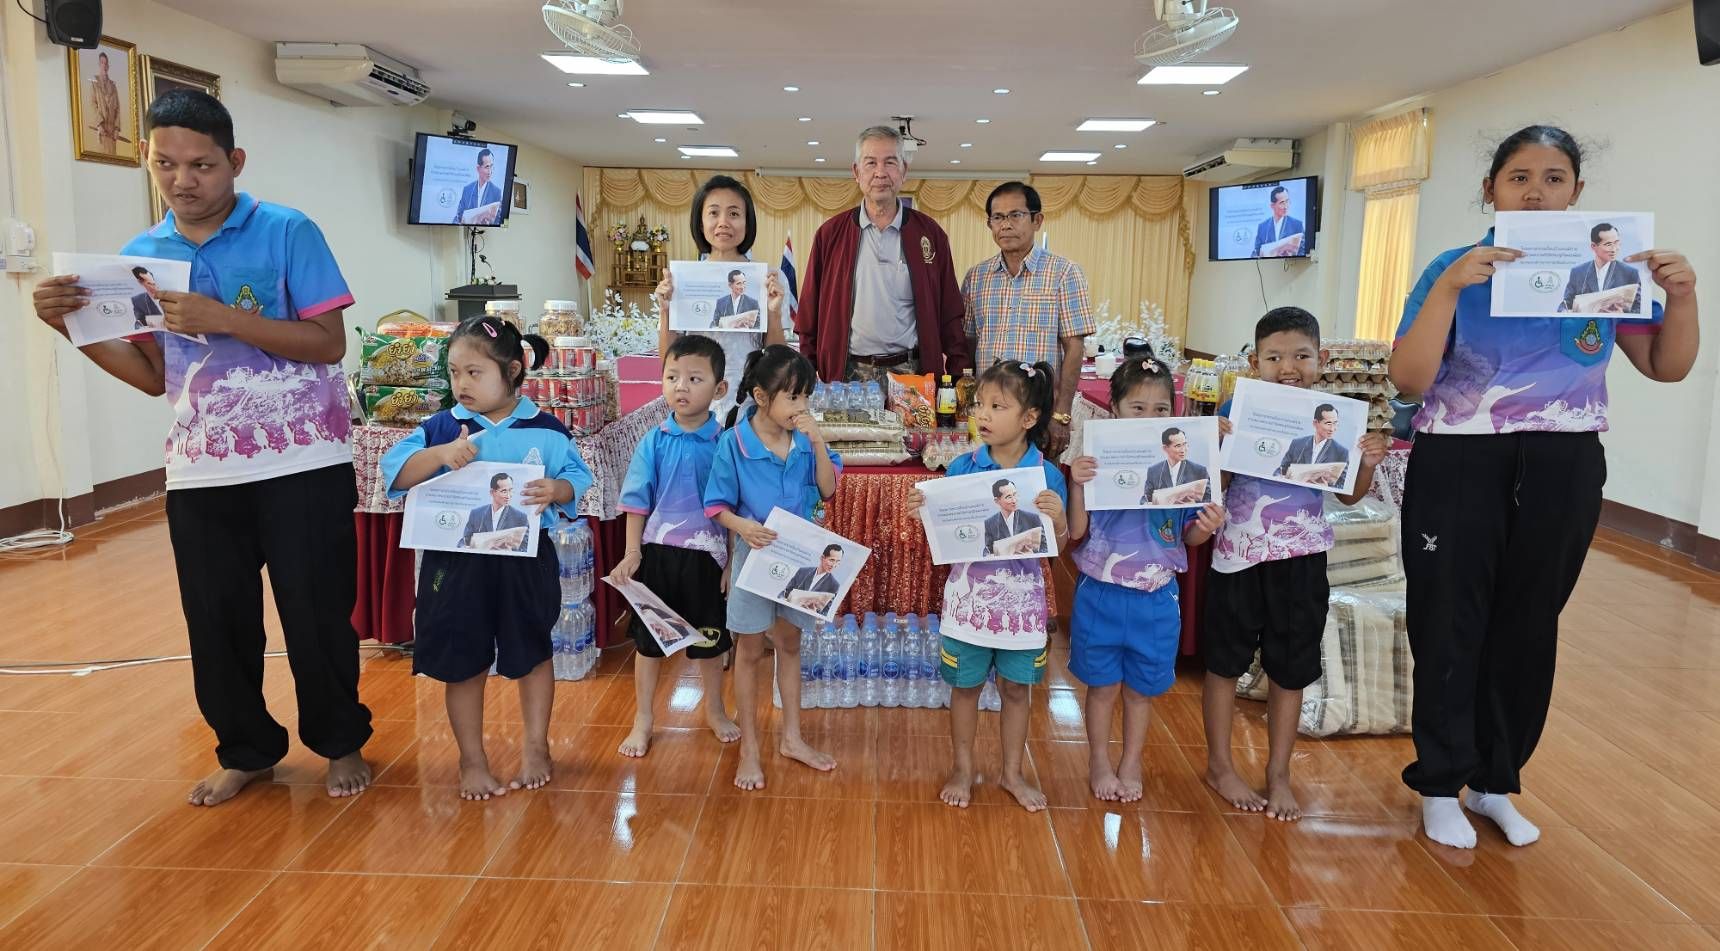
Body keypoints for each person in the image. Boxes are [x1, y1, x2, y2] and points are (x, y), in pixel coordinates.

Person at [32, 90, 373, 806]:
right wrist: (70, 329)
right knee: (217, 622)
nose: (182, 180)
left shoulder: (288, 230)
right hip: (200, 468)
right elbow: (153, 374)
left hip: (303, 460)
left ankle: (340, 740)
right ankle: (246, 749)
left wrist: (225, 318)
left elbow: (327, 344)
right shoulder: (140, 257)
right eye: (166, 164)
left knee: (315, 615)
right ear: (147, 159)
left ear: (234, 161)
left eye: (201, 165)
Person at [1389, 126, 1699, 849]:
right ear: (1491, 189)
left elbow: (1666, 366)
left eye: (1554, 179)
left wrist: (1681, 297)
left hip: (1565, 462)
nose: (1536, 192)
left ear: (1577, 193)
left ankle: (1494, 781)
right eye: (1519, 177)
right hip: (1460, 459)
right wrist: (1451, 286)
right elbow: (1409, 379)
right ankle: (1439, 783)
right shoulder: (1452, 267)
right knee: (1448, 618)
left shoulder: (1606, 269)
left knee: (1530, 623)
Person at [382, 316, 594, 800]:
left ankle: (536, 746)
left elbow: (577, 478)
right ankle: (471, 759)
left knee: (532, 652)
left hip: (525, 563)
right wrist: (441, 455)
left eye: (474, 372)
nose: (462, 383)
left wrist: (557, 489)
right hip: (457, 566)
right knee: (463, 659)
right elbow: (396, 472)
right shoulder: (442, 426)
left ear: (512, 371)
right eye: (455, 372)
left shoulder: (546, 429)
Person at [1204, 307, 1388, 821]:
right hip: (1239, 556)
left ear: (1321, 359)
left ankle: (1278, 773)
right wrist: (1213, 444)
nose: (1289, 367)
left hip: (1302, 558)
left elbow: (1349, 496)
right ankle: (1219, 766)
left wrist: (1367, 463)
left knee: (1291, 668)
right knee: (1224, 663)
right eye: (1274, 357)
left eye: (1302, 356)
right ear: (1254, 362)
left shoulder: (1337, 419)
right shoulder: (1235, 410)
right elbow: (1214, 484)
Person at [906, 360, 1068, 812]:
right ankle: (962, 768)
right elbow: (946, 531)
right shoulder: (963, 465)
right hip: (968, 603)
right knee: (965, 688)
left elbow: (1058, 546)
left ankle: (1012, 772)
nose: (982, 414)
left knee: (1016, 690)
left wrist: (1057, 520)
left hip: (1023, 608)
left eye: (998, 406)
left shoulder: (1047, 476)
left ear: (1029, 418)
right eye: (979, 404)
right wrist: (923, 511)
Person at [1069, 358, 1225, 801]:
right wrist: (1077, 485)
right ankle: (1100, 761)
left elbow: (1188, 536)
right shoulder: (1096, 462)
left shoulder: (1186, 466)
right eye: (1137, 408)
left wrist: (1207, 527)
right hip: (1100, 592)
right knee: (1102, 688)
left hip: (1157, 595)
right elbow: (1076, 531)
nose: (1149, 417)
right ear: (1114, 409)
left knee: (1141, 691)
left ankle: (1131, 762)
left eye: (1161, 409)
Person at [703, 345, 842, 790]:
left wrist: (817, 441)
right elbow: (716, 505)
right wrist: (743, 526)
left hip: (800, 555)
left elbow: (828, 489)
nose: (801, 407)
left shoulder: (804, 440)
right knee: (747, 650)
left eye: (806, 398)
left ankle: (792, 739)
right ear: (761, 397)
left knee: (790, 644)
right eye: (793, 397)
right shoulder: (734, 442)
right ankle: (750, 748)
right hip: (755, 556)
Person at [609, 333, 740, 758]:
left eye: (694, 379)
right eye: (672, 377)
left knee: (710, 642)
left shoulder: (726, 444)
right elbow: (636, 502)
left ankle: (715, 709)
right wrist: (633, 553)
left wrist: (731, 563)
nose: (681, 387)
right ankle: (643, 718)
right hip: (658, 556)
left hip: (708, 558)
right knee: (649, 644)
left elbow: (733, 507)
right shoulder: (653, 440)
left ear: (719, 388)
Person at [796, 125, 967, 384]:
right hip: (848, 375)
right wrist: (806, 375)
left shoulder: (930, 235)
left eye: (890, 162)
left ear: (904, 171)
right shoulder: (830, 235)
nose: (880, 172)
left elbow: (950, 313)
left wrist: (957, 376)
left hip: (913, 373)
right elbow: (809, 312)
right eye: (870, 163)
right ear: (856, 172)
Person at [962, 182, 1094, 456]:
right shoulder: (976, 277)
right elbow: (968, 343)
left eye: (1015, 215)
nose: (1005, 225)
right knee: (986, 479)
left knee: (1039, 480)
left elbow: (1074, 348)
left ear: (1037, 220)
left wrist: (1061, 415)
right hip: (988, 414)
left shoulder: (1064, 273)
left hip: (1039, 413)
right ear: (989, 224)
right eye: (998, 217)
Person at [654, 174, 785, 421]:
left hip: (748, 403)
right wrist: (665, 310)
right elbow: (669, 359)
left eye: (734, 214)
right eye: (714, 213)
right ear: (700, 223)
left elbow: (777, 359)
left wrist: (774, 313)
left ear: (747, 223)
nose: (723, 222)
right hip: (697, 403)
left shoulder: (765, 280)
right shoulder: (682, 280)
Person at [1559, 222, 1643, 314]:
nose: (1614, 249)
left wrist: (1622, 314)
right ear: (1593, 246)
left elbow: (1639, 308)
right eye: (1608, 244)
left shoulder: (1630, 273)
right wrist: (1564, 311)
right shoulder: (1578, 272)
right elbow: (1566, 303)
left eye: (1616, 243)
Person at [1275, 404, 1351, 486]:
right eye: (1328, 423)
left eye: (1335, 423)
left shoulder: (1342, 452)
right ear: (1315, 423)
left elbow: (1343, 485)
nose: (1332, 429)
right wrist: (1279, 477)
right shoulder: (1297, 443)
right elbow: (1280, 470)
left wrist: (1327, 487)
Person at [459, 472, 530, 550]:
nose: (508, 496)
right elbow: (464, 541)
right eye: (504, 491)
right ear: (492, 492)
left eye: (510, 490)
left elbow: (525, 547)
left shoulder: (520, 517)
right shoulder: (476, 514)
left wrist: (510, 551)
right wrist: (464, 547)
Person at [1142, 426, 1212, 503]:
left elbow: (1210, 499)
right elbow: (1144, 500)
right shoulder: (1154, 471)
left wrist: (1194, 504)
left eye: (1185, 444)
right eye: (1178, 446)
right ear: (1165, 448)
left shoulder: (1199, 471)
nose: (1183, 450)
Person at [982, 478, 1047, 556]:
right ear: (997, 501)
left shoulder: (1033, 518)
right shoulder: (990, 523)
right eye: (1009, 497)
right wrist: (989, 556)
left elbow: (1045, 547)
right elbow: (988, 550)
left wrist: (1033, 554)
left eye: (1015, 494)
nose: (1014, 500)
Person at [453, 147, 503, 225]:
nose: (490, 171)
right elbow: (457, 218)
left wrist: (489, 224)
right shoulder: (467, 190)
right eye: (487, 167)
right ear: (478, 168)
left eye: (491, 166)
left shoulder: (496, 192)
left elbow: (499, 221)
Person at [1252, 185, 1304, 258]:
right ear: (1272, 206)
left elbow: (1303, 251)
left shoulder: (1297, 225)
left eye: (1287, 201)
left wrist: (1292, 256)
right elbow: (1255, 253)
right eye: (1282, 203)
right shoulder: (1263, 227)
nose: (1286, 206)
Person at [91, 51, 122, 154]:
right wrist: (99, 125)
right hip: (101, 132)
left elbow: (117, 109)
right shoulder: (94, 83)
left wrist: (117, 129)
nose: (104, 65)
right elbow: (93, 105)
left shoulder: (113, 85)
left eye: (106, 63)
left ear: (108, 66)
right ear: (99, 64)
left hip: (112, 134)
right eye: (102, 63)